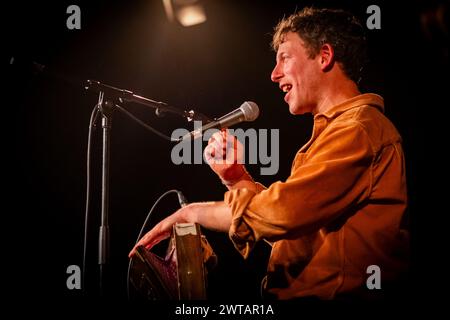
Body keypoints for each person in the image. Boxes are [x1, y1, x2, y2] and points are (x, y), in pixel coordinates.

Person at [129, 7, 410, 300]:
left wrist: (192, 212)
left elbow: (283, 213)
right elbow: (290, 231)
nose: (274, 74)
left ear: (324, 56)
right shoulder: (334, 133)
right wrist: (237, 177)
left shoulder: (359, 129)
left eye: (285, 58)